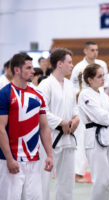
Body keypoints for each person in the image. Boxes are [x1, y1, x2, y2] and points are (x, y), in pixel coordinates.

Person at [0, 53, 53, 199]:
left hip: (34, 160)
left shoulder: (38, 95)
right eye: (28, 68)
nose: (33, 71)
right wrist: (9, 159)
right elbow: (0, 129)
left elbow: (44, 127)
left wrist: (49, 154)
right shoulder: (4, 94)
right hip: (10, 160)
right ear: (17, 70)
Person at [38, 48, 80, 200]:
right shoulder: (45, 85)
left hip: (68, 138)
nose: (72, 65)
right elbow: (42, 112)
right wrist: (61, 122)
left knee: (67, 180)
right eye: (69, 62)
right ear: (60, 64)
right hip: (49, 137)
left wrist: (76, 119)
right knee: (44, 179)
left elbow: (75, 107)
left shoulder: (70, 85)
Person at [70, 41, 108, 181]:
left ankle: (95, 172)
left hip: (100, 100)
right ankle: (79, 173)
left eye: (97, 50)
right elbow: (75, 88)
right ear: (85, 51)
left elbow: (105, 85)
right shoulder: (78, 68)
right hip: (84, 104)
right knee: (82, 138)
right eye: (92, 50)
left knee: (99, 139)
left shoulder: (102, 65)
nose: (95, 52)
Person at [78, 64, 109, 200]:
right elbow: (100, 116)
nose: (103, 79)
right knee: (100, 180)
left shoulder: (103, 95)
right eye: (99, 76)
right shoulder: (85, 94)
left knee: (107, 180)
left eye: (103, 75)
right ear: (90, 79)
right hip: (93, 138)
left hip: (107, 136)